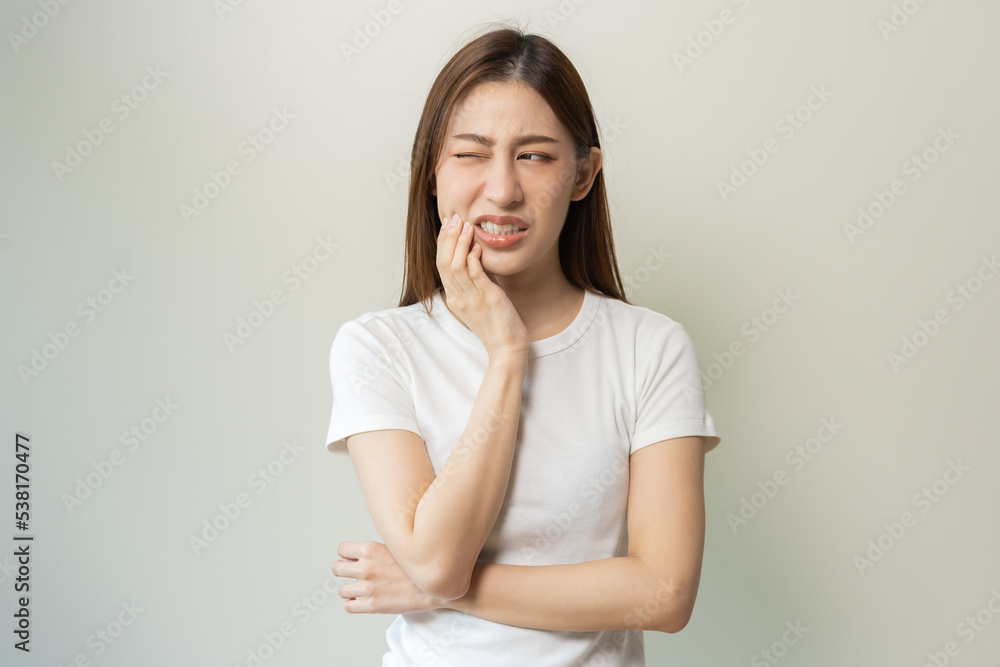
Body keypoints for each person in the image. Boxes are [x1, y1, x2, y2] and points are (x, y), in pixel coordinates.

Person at [325, 22, 722, 667]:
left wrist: (440, 593)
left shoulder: (650, 348)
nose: (503, 188)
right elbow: (436, 558)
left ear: (583, 174)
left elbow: (665, 593)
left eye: (535, 155)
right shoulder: (377, 347)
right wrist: (507, 355)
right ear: (432, 171)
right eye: (471, 153)